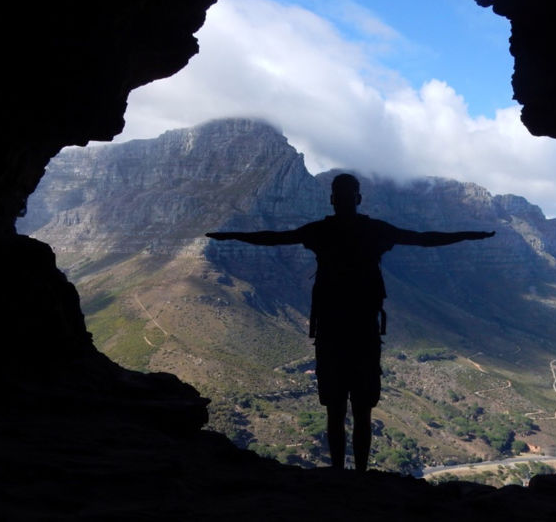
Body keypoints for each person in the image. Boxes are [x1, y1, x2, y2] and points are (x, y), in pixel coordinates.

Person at [206, 173, 495, 472]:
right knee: (362, 409)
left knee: (335, 408)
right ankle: (359, 474)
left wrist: (230, 236)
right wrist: (470, 235)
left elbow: (273, 238)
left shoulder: (319, 232)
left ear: (333, 199)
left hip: (331, 333)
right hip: (363, 333)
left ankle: (338, 473)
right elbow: (424, 239)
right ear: (358, 198)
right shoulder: (375, 231)